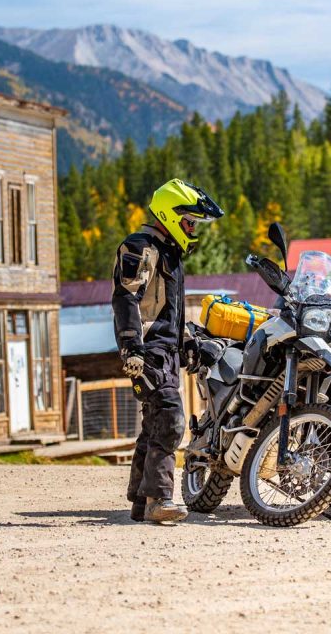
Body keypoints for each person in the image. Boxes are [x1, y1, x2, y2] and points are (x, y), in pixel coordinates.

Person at [113, 178, 223, 524]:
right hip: (147, 351)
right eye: (190, 221)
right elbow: (125, 296)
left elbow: (164, 311)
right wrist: (131, 345)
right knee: (172, 419)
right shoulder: (141, 247)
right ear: (170, 214)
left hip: (166, 352)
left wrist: (188, 342)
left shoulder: (170, 253)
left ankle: (140, 500)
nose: (193, 228)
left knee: (154, 424)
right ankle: (160, 498)